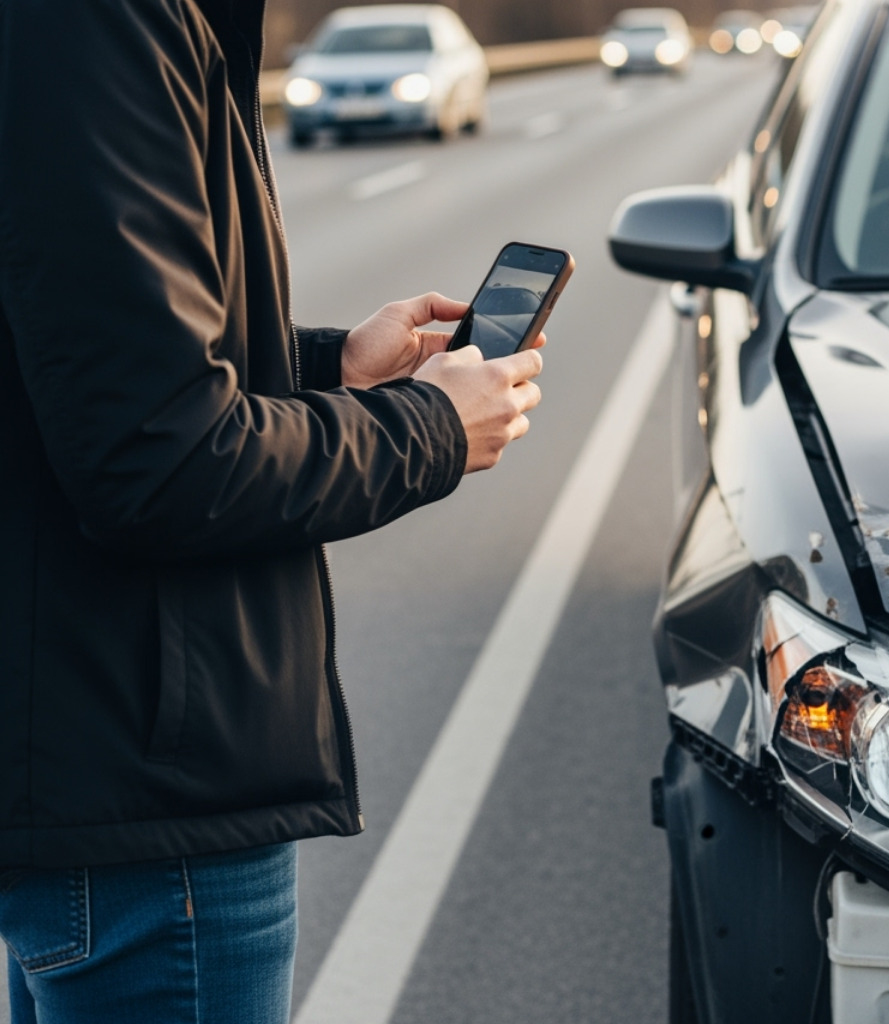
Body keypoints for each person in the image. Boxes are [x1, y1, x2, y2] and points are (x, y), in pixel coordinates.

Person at [0, 1, 544, 1020]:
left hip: (106, 777)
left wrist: (332, 366)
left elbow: (90, 359)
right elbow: (157, 461)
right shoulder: (109, 20)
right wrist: (428, 431)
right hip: (155, 803)